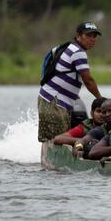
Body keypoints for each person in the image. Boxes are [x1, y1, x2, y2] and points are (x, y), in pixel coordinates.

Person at [37, 21, 103, 150]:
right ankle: (52, 163)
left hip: (50, 99)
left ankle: (47, 162)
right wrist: (100, 100)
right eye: (88, 35)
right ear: (78, 36)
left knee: (52, 140)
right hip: (54, 101)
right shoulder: (78, 52)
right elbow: (88, 80)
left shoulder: (70, 47)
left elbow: (65, 75)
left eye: (94, 36)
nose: (92, 39)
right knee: (58, 140)